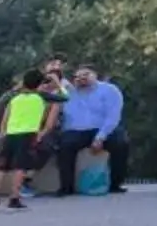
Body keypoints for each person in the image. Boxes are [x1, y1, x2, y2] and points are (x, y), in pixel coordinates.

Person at [49, 66, 127, 198]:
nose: (81, 79)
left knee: (121, 143)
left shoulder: (109, 90)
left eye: (86, 74)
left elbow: (113, 117)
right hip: (76, 130)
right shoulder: (68, 92)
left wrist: (100, 137)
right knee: (65, 146)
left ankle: (115, 184)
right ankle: (66, 187)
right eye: (77, 77)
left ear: (95, 75)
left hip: (103, 128)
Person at [0, 70, 57, 212]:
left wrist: (2, 133)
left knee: (1, 168)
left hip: (10, 134)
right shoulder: (40, 98)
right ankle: (14, 199)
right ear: (40, 84)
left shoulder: (14, 99)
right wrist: (57, 83)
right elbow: (64, 97)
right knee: (20, 168)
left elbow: (5, 119)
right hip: (27, 135)